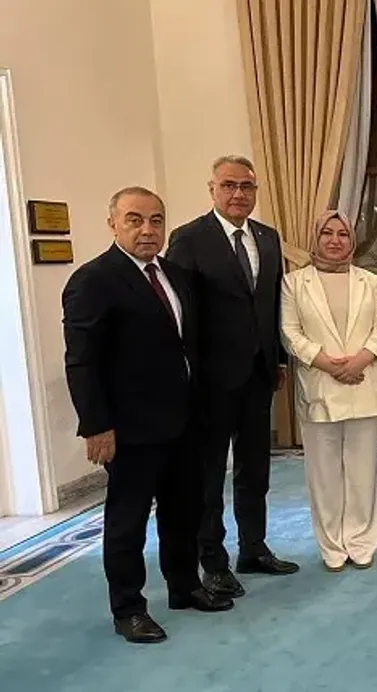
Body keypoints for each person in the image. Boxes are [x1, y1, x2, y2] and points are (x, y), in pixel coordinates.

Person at [62, 187, 233, 644]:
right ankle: (128, 608)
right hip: (130, 428)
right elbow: (82, 361)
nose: (147, 229)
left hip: (184, 421)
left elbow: (187, 347)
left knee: (184, 511)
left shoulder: (175, 275)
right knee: (129, 520)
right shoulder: (93, 280)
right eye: (134, 220)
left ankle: (185, 586)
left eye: (156, 220)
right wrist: (96, 425)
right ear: (113, 224)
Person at [167, 155, 299, 597]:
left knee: (255, 468)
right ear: (212, 189)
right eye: (229, 185)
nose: (238, 194)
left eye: (246, 186)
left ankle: (253, 548)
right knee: (208, 475)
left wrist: (279, 360)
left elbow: (273, 304)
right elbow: (181, 312)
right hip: (210, 379)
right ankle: (213, 561)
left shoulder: (268, 237)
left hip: (259, 374)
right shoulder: (188, 239)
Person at [280, 211, 377, 571]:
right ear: (316, 238)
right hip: (319, 386)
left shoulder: (369, 281)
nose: (334, 240)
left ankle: (361, 541)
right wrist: (328, 364)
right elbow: (290, 333)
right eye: (327, 233)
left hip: (362, 384)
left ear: (352, 240)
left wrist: (358, 362)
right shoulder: (294, 282)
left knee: (363, 472)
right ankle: (331, 545)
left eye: (342, 234)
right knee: (324, 475)